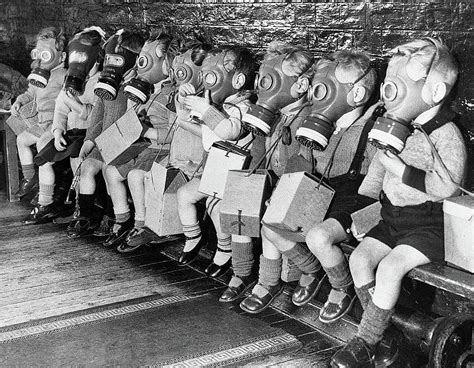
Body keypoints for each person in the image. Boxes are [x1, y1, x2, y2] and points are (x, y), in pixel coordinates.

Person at [331, 38, 467, 368]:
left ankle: (365, 342)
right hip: (392, 217)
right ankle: (383, 334)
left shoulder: (445, 132)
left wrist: (403, 171)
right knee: (360, 259)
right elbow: (377, 173)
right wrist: (363, 208)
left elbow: (448, 188)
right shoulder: (399, 126)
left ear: (435, 92)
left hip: (428, 224)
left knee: (390, 269)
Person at [219, 42, 315, 304]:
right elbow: (259, 152)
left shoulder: (307, 118)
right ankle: (241, 272)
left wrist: (281, 195)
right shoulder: (273, 113)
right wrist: (248, 184)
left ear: (301, 85)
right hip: (272, 178)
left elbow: (303, 166)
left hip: (297, 189)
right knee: (240, 203)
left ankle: (269, 281)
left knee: (269, 220)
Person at [117, 39, 213, 252]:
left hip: (194, 163)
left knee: (148, 178)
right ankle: (143, 225)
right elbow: (173, 125)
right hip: (176, 157)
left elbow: (206, 133)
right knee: (140, 175)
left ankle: (154, 228)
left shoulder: (209, 101)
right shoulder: (176, 96)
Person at [175, 46, 257, 276]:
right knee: (184, 195)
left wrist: (206, 108)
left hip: (237, 173)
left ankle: (225, 249)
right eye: (206, 75)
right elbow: (185, 122)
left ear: (238, 79)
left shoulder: (243, 106)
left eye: (213, 76)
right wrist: (183, 101)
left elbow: (229, 131)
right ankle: (193, 237)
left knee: (213, 204)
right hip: (215, 167)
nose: (208, 82)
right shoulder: (215, 104)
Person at [103, 33, 181, 250]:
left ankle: (142, 224)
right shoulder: (146, 89)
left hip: (161, 150)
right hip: (143, 148)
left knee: (137, 176)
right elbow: (130, 122)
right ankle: (122, 218)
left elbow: (173, 134)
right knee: (111, 170)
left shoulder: (172, 95)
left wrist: (146, 130)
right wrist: (132, 109)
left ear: (167, 64)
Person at [66, 29, 145, 238]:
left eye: (117, 60)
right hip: (103, 142)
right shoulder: (106, 86)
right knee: (87, 167)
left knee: (109, 169)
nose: (111, 64)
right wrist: (89, 140)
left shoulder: (137, 89)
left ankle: (113, 216)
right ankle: (85, 215)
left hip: (123, 144)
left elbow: (133, 126)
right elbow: (98, 116)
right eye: (109, 58)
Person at [23, 27, 105, 225]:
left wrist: (74, 104)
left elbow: (96, 116)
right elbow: (60, 110)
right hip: (70, 133)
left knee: (78, 166)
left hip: (87, 136)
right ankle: (46, 203)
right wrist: (58, 130)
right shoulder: (73, 80)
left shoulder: (100, 83)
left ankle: (80, 207)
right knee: (44, 158)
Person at [9, 27, 67, 198]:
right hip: (42, 123)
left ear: (61, 57)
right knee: (22, 139)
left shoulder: (63, 75)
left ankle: (45, 199)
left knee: (43, 153)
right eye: (40, 53)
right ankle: (30, 179)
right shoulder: (39, 76)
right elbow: (30, 93)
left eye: (47, 54)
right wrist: (19, 101)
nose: (43, 58)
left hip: (55, 126)